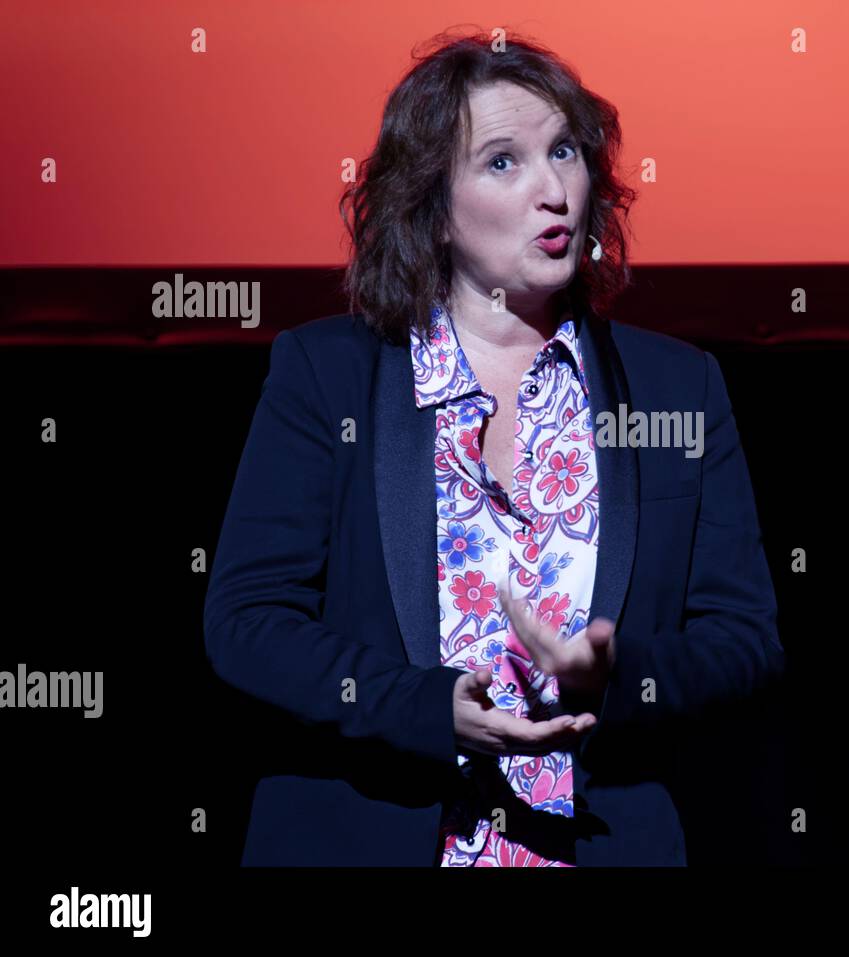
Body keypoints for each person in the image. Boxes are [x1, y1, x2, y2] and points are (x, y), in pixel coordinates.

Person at [203, 30, 784, 867]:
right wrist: (424, 707)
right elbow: (245, 623)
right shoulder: (327, 376)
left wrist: (619, 673)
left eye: (566, 152)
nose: (554, 190)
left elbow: (746, 642)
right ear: (432, 206)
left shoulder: (676, 388)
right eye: (503, 162)